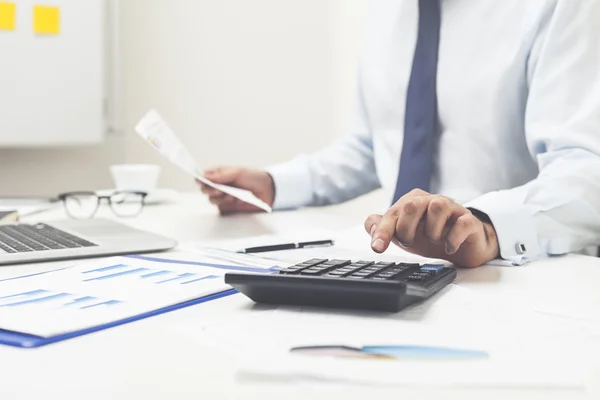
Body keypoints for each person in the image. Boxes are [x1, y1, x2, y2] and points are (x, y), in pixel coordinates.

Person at [200, 0, 600, 268]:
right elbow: (375, 145)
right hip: (396, 266)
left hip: (515, 273)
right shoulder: (387, 11)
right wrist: (274, 185)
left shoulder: (560, 7)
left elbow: (585, 169)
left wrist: (489, 227)